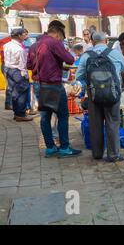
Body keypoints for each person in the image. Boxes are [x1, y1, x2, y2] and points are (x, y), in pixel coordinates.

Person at [76, 31, 124, 162]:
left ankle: (97, 153)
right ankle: (113, 155)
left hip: (94, 96)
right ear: (106, 41)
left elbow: (79, 76)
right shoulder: (115, 53)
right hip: (112, 95)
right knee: (113, 124)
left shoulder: (86, 56)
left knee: (96, 124)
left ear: (92, 42)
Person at [36, 20, 81, 158]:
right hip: (53, 85)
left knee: (45, 117)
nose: (62, 39)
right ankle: (65, 147)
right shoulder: (54, 42)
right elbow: (69, 59)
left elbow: (29, 64)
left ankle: (50, 148)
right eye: (62, 36)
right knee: (62, 116)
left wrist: (54, 64)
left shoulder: (35, 44)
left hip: (39, 84)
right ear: (57, 33)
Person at [4, 28, 31, 121]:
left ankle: (17, 113)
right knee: (22, 92)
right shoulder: (20, 49)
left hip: (9, 69)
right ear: (19, 36)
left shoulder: (7, 45)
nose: (26, 36)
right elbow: (23, 65)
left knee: (14, 92)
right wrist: (25, 76)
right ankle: (20, 114)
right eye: (24, 34)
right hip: (18, 71)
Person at [0, 35, 13, 110]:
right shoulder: (6, 42)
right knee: (10, 85)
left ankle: (9, 103)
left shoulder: (5, 42)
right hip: (7, 65)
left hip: (6, 64)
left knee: (11, 85)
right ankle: (8, 104)